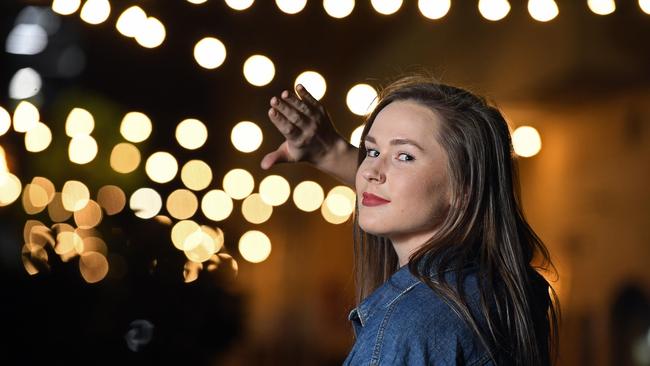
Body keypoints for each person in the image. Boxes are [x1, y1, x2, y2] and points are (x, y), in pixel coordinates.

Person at [262, 75, 559, 365]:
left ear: (464, 189)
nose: (369, 172)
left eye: (405, 156)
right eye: (372, 151)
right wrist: (331, 151)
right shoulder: (506, 292)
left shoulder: (408, 328)